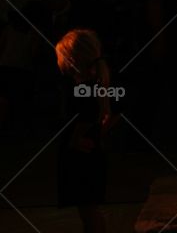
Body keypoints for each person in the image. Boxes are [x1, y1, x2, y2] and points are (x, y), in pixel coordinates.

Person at [55, 29, 113, 233]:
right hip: (91, 152)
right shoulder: (95, 84)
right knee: (90, 209)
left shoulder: (83, 89)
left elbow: (87, 115)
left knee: (88, 210)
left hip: (82, 156)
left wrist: (75, 138)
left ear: (71, 59)